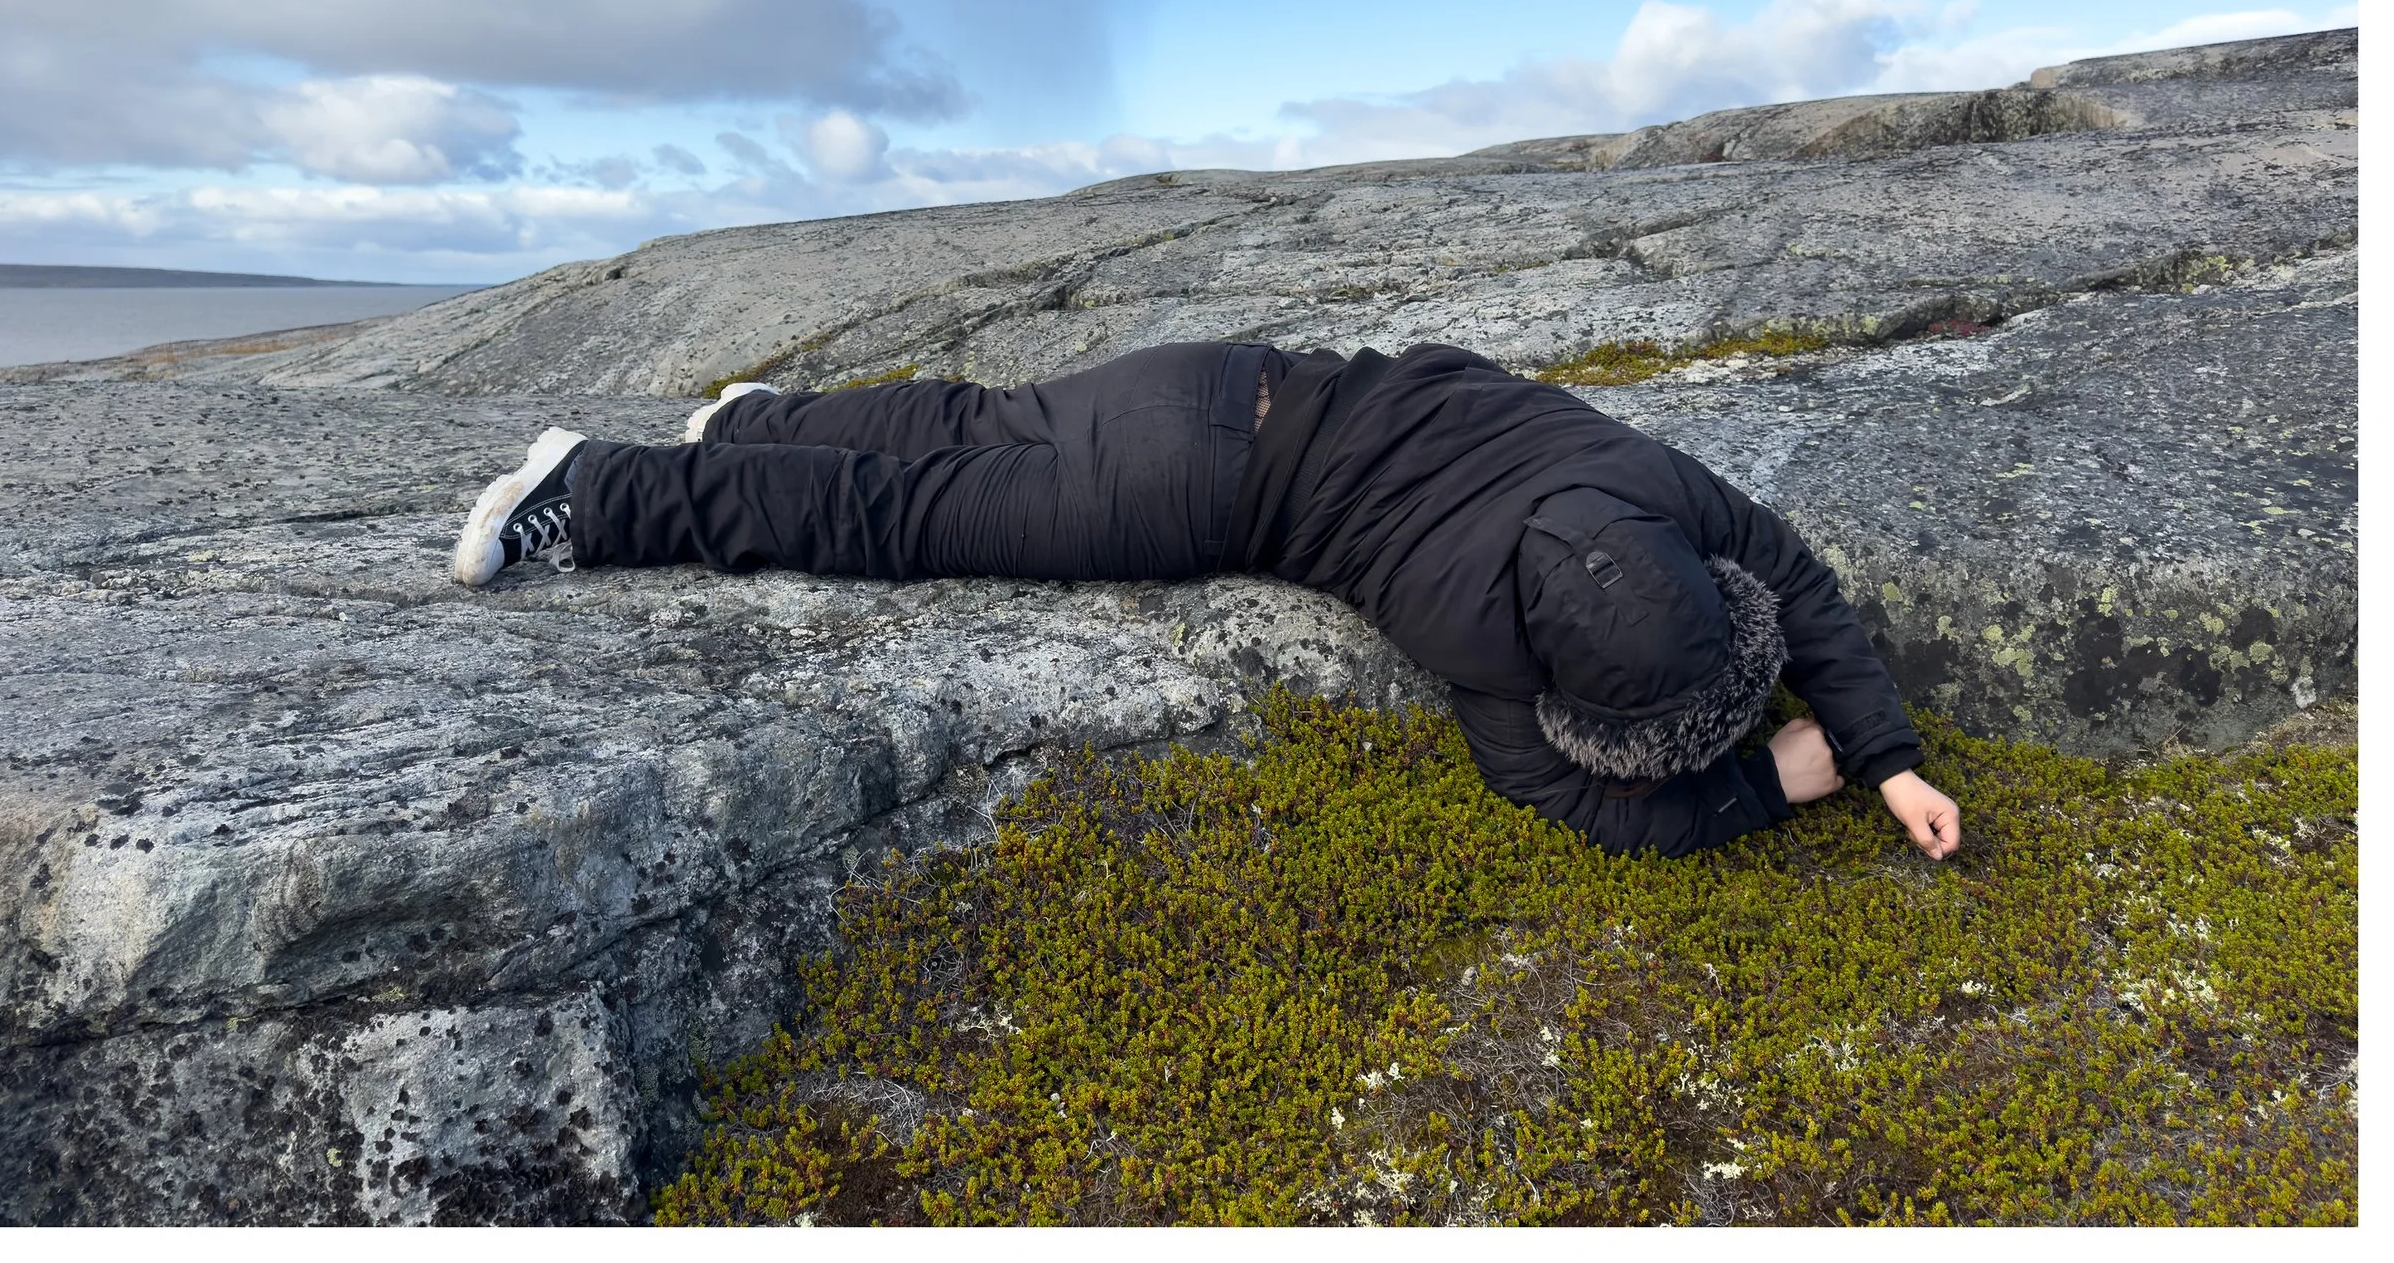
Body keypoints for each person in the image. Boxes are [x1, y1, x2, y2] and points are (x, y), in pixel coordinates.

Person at [452, 339, 1963, 861]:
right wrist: (1797, 775)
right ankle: (606, 487)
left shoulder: (1649, 482)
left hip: (1218, 380)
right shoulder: (1485, 641)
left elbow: (1801, 579)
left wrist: (1888, 746)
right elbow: (1580, 807)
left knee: (979, 426)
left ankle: (754, 421)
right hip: (1183, 500)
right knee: (901, 517)